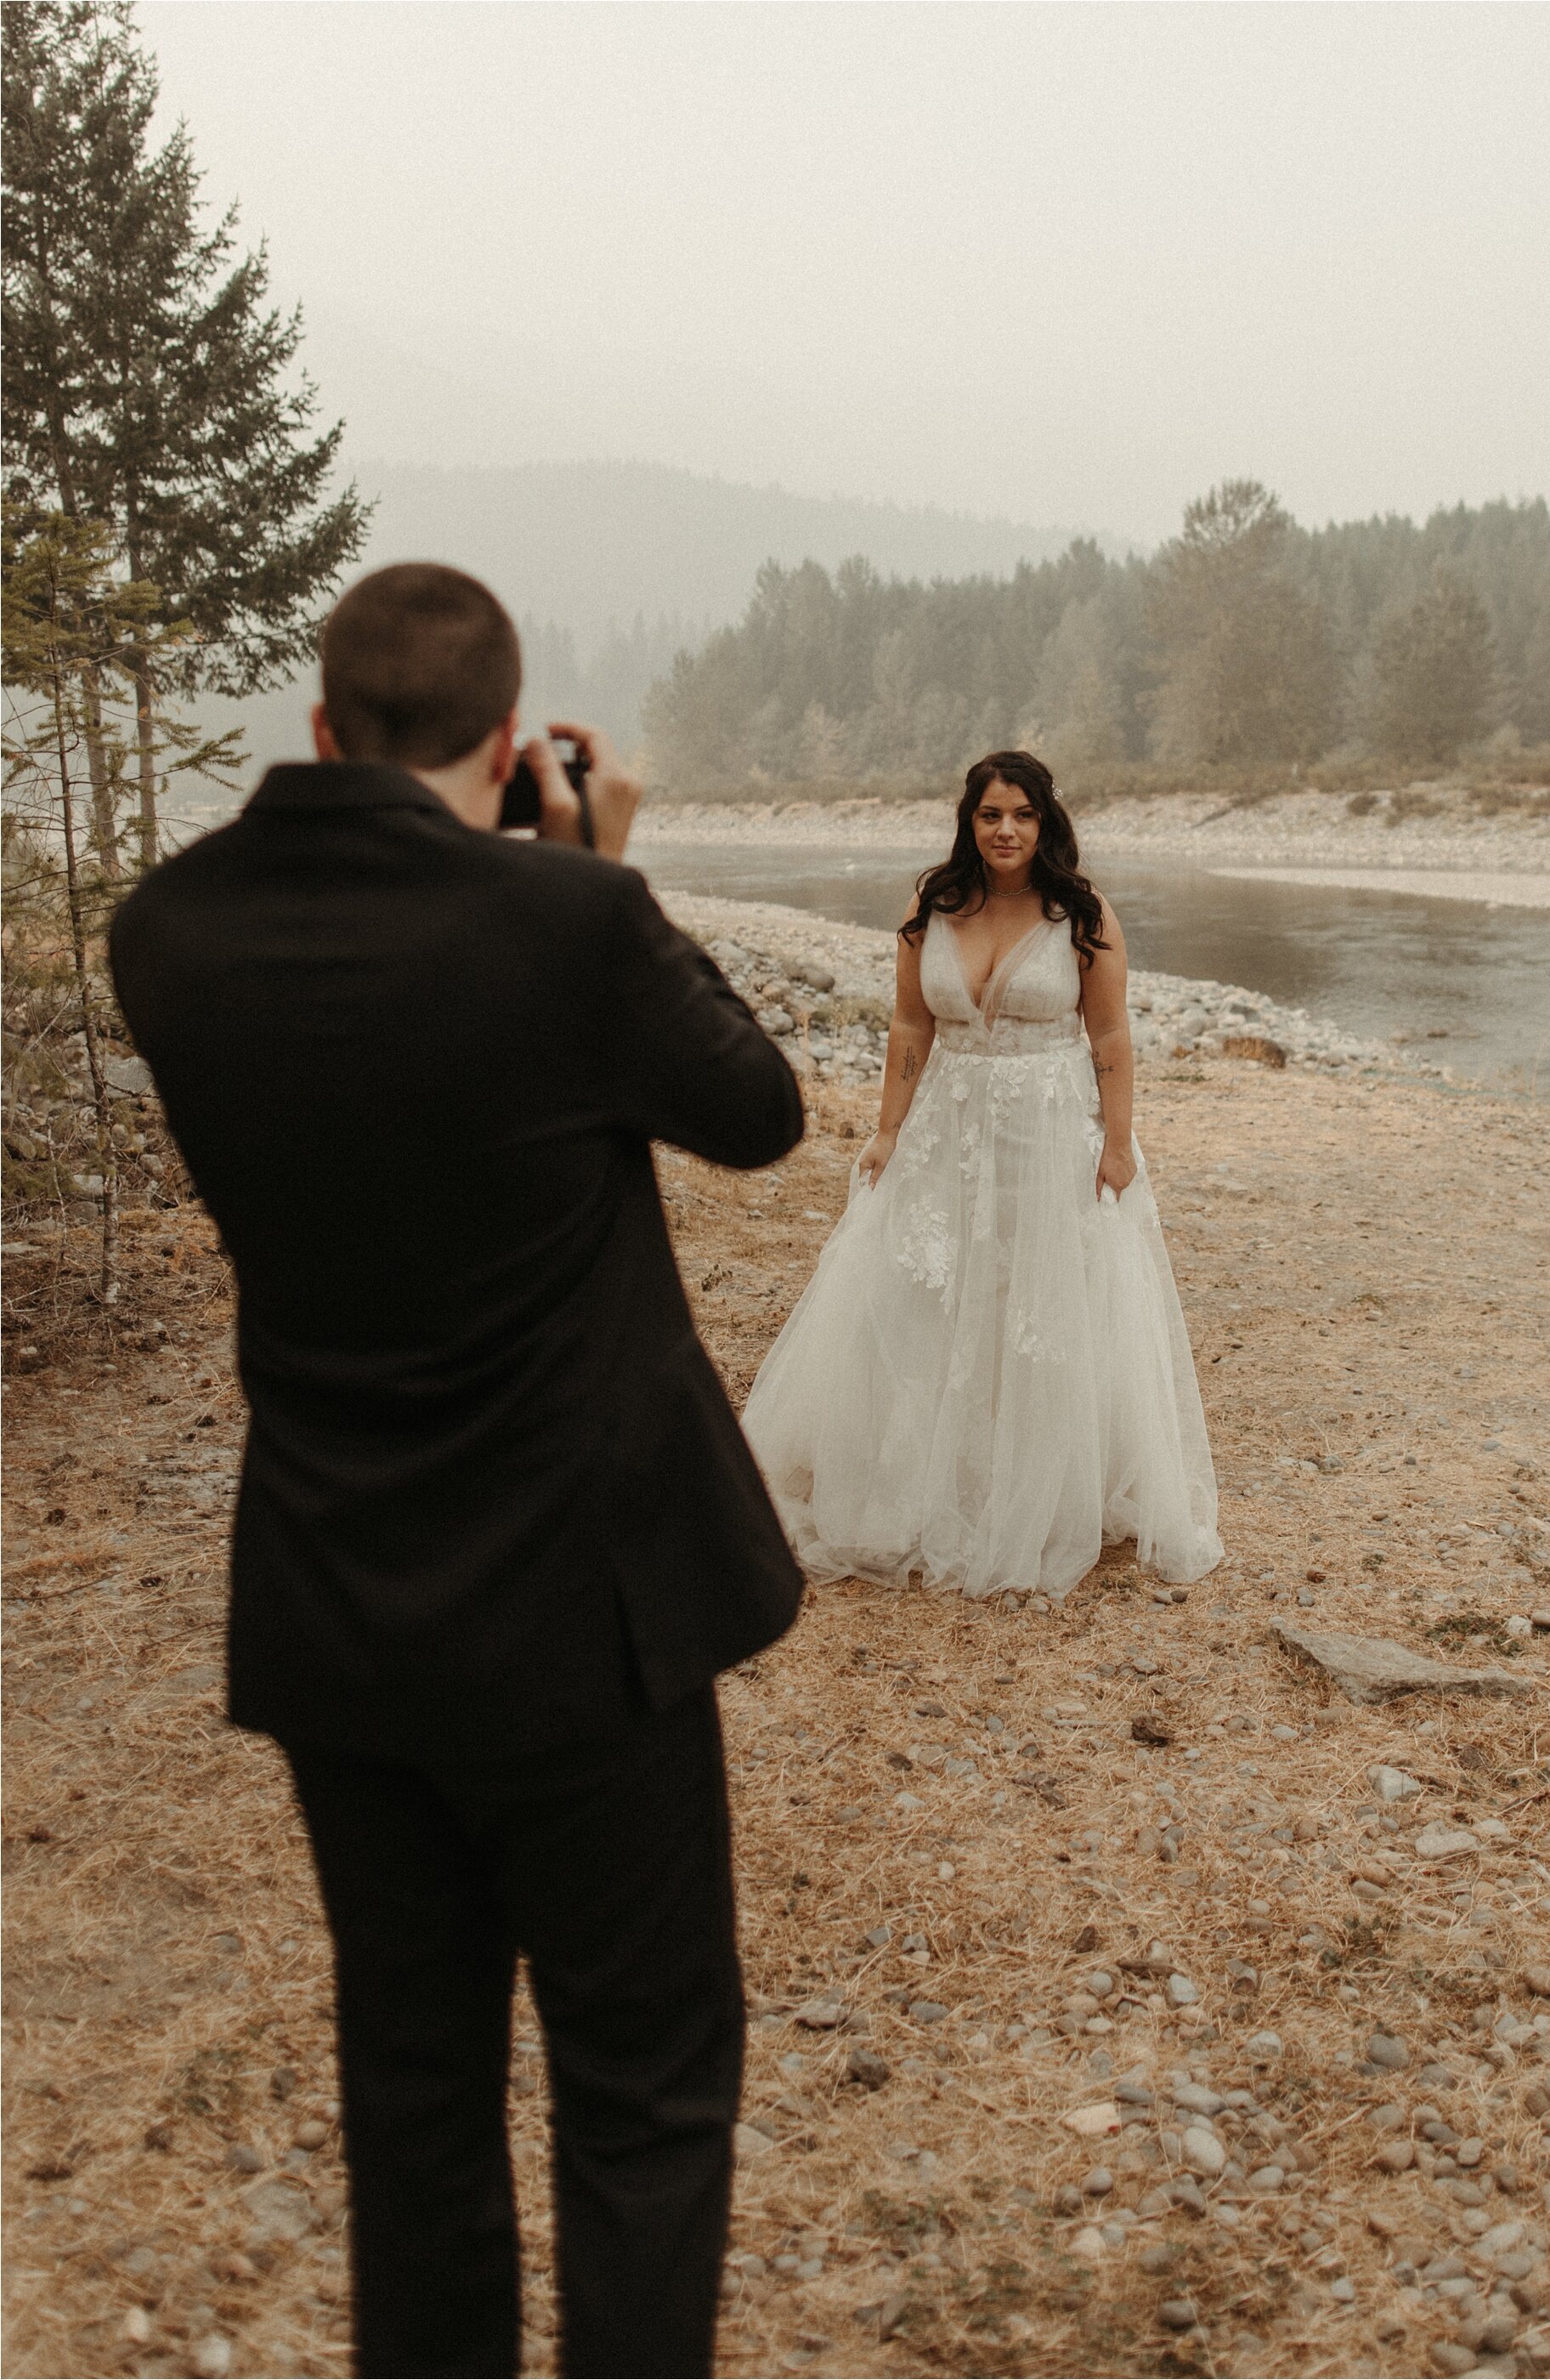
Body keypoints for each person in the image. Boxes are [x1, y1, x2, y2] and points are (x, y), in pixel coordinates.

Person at [109, 564, 806, 2380]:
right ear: (509, 741)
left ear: (323, 729)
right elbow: (755, 1112)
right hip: (593, 1614)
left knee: (413, 2094)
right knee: (642, 2089)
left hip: (344, 1607)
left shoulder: (166, 932)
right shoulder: (563, 926)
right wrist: (589, 871)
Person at [743, 749, 1222, 1599]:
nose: (1007, 829)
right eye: (992, 814)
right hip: (946, 1130)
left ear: (1046, 824)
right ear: (970, 821)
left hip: (1050, 1131)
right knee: (930, 1296)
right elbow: (907, 1029)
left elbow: (1110, 1040)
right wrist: (888, 1131)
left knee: (1038, 1302)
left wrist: (1117, 1145)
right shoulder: (933, 908)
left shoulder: (1083, 913)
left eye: (1023, 815)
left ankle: (1036, 1487)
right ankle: (929, 1479)